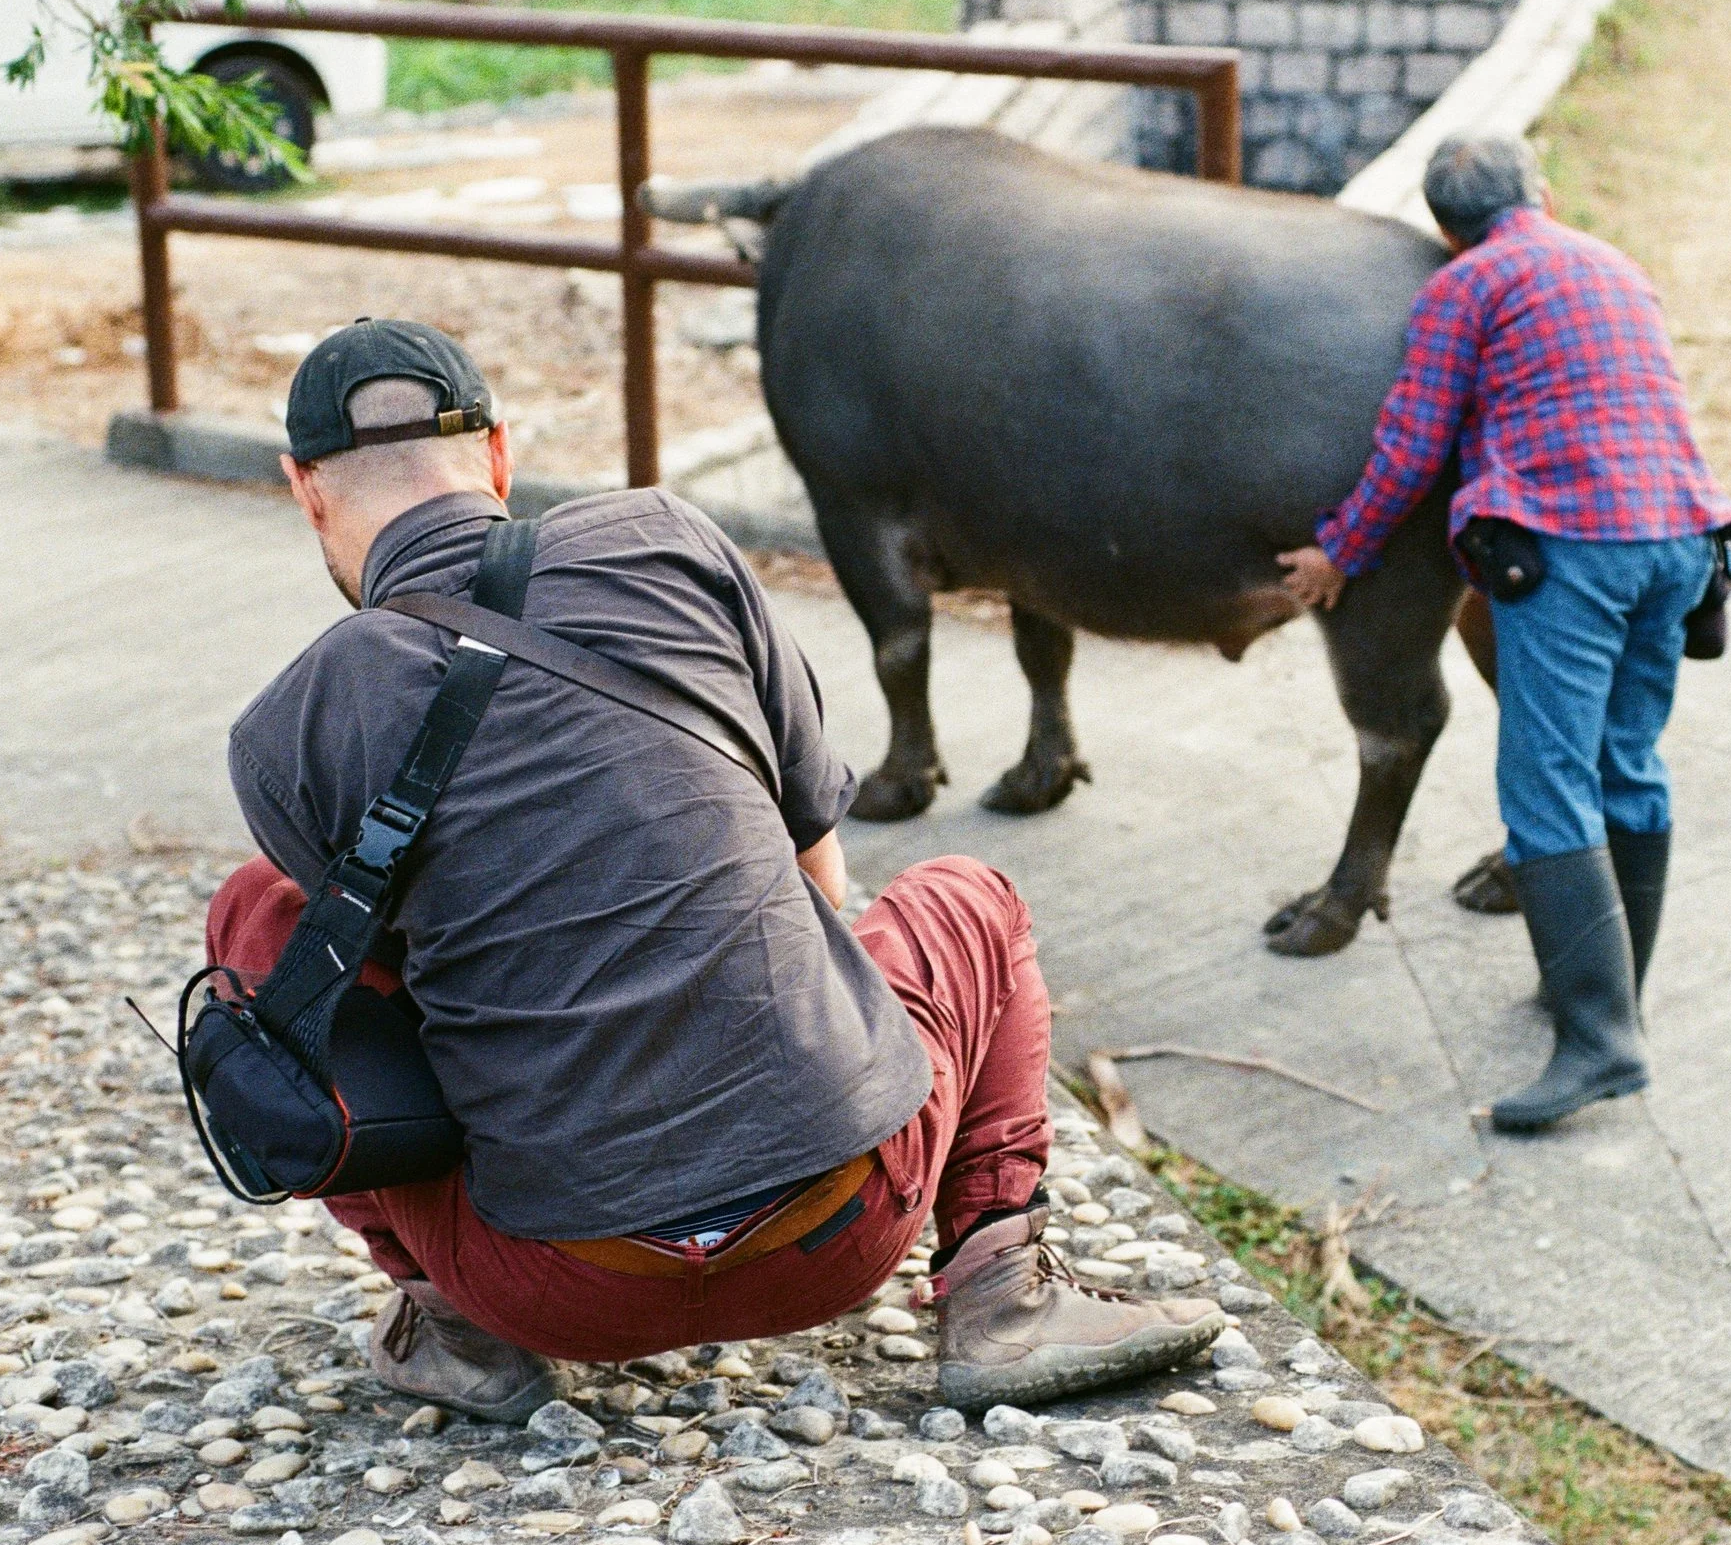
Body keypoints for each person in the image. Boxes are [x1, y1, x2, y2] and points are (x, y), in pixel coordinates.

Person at [210, 318, 1224, 1420]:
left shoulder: (289, 726)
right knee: (971, 899)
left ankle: (448, 1326)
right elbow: (822, 885)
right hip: (839, 1231)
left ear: (304, 488)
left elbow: (378, 1010)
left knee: (260, 919)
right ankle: (1000, 1289)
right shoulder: (669, 543)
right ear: (500, 453)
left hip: (545, 1284)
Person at [1276, 137, 1731, 1133]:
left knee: (1545, 785)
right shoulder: (1615, 263)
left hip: (1569, 547)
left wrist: (1339, 553)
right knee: (1629, 766)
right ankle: (1612, 997)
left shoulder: (1462, 285)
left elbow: (1410, 442)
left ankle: (1597, 1042)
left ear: (1444, 228)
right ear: (1544, 193)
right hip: (1683, 540)